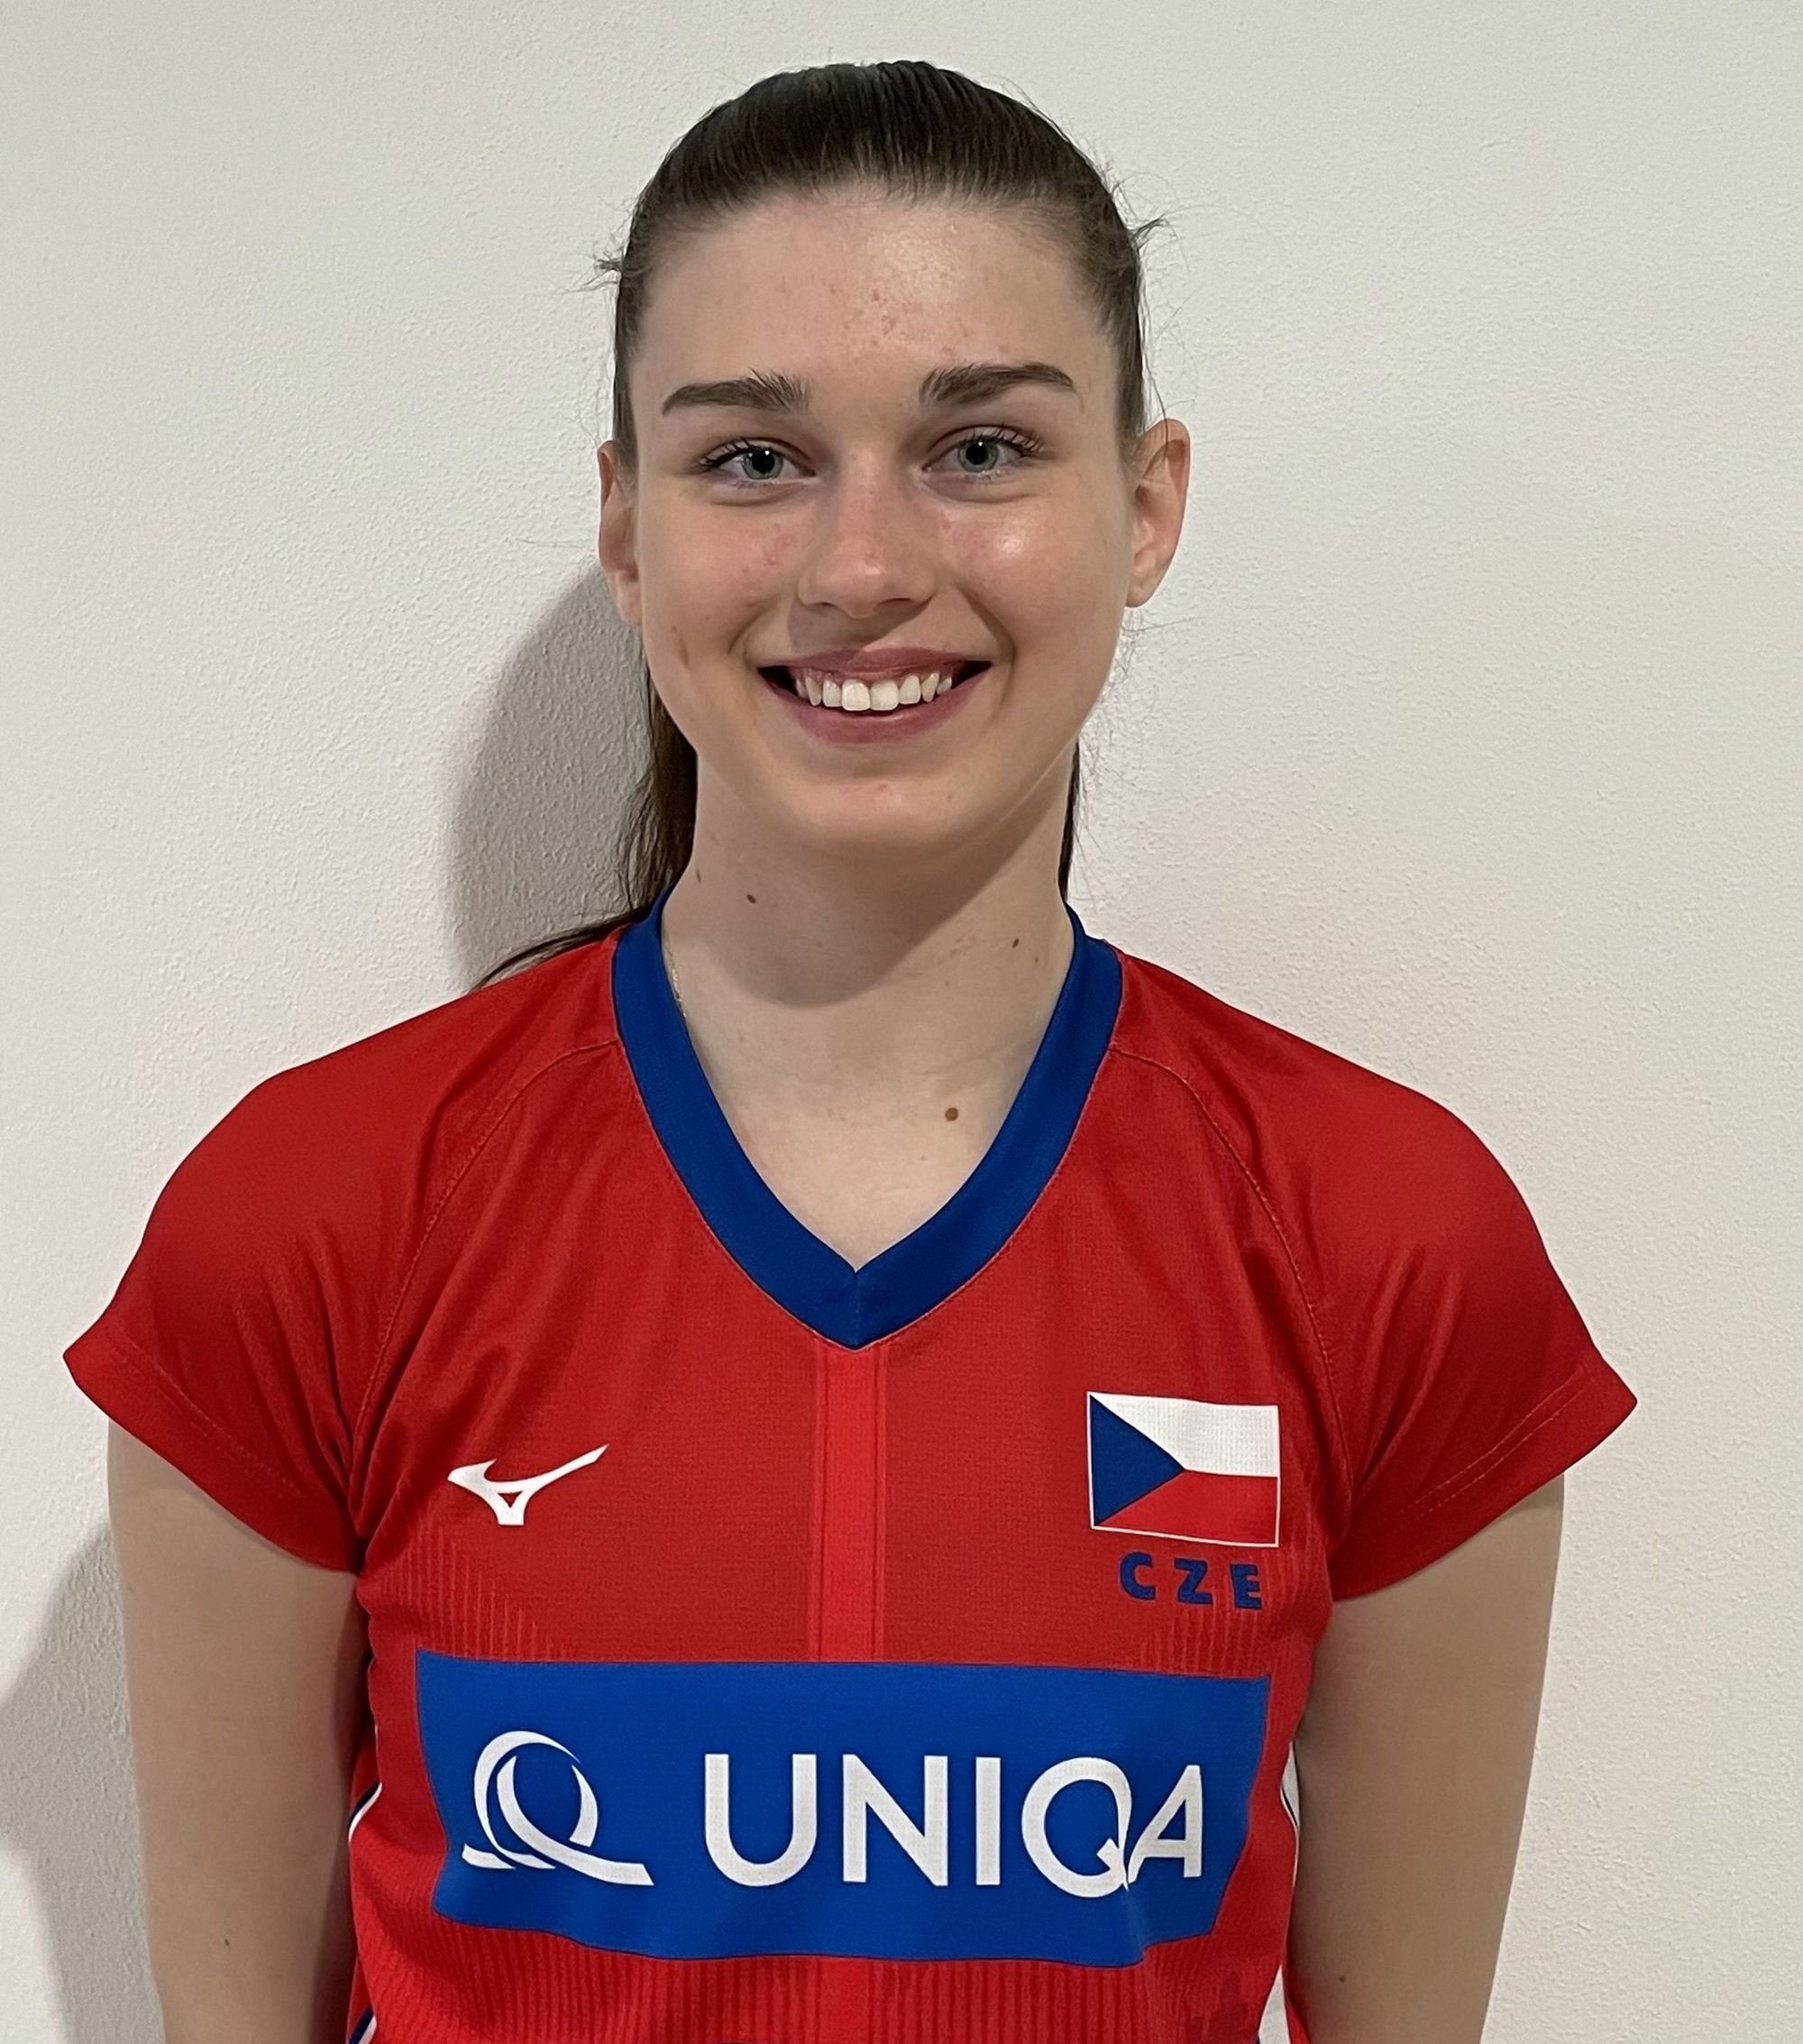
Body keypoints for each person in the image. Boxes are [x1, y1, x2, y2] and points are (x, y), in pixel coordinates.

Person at [66, 59, 1637, 2044]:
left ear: (1146, 506)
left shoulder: (1388, 1244)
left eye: (981, 447)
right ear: (625, 522)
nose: (863, 565)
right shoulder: (312, 1222)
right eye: (752, 459)